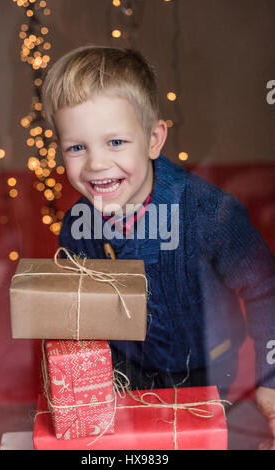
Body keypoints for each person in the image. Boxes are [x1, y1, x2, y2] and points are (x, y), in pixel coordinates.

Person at [42, 46, 275, 448]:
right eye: (77, 148)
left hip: (206, 365)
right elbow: (80, 318)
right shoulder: (77, 230)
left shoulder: (206, 212)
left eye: (115, 142)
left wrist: (270, 379)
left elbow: (264, 286)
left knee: (196, 442)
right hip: (124, 368)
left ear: (153, 140)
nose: (96, 163)